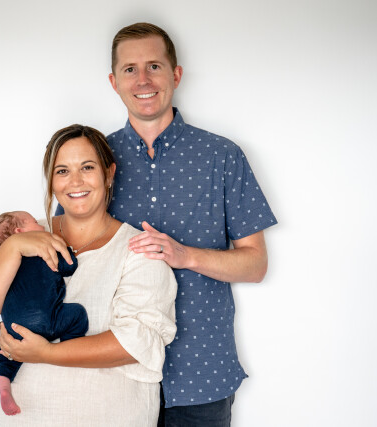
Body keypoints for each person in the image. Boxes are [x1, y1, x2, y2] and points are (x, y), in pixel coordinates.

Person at [58, 22, 278, 426]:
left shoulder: (222, 156)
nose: (143, 80)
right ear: (114, 81)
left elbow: (256, 264)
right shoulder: (89, 162)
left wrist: (185, 255)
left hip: (201, 374)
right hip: (113, 374)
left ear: (175, 75)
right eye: (130, 69)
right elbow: (62, 258)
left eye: (154, 66)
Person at [0, 124, 178, 426]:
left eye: (87, 167)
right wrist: (13, 248)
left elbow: (134, 343)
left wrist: (47, 353)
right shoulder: (20, 232)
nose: (75, 181)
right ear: (51, 181)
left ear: (109, 173)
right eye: (62, 171)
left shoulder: (137, 250)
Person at [0, 210, 88, 416]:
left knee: (7, 352)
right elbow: (69, 265)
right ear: (19, 232)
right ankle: (69, 345)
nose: (41, 226)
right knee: (77, 314)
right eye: (34, 223)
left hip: (14, 327)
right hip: (48, 320)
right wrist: (65, 248)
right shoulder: (46, 252)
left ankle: (3, 385)